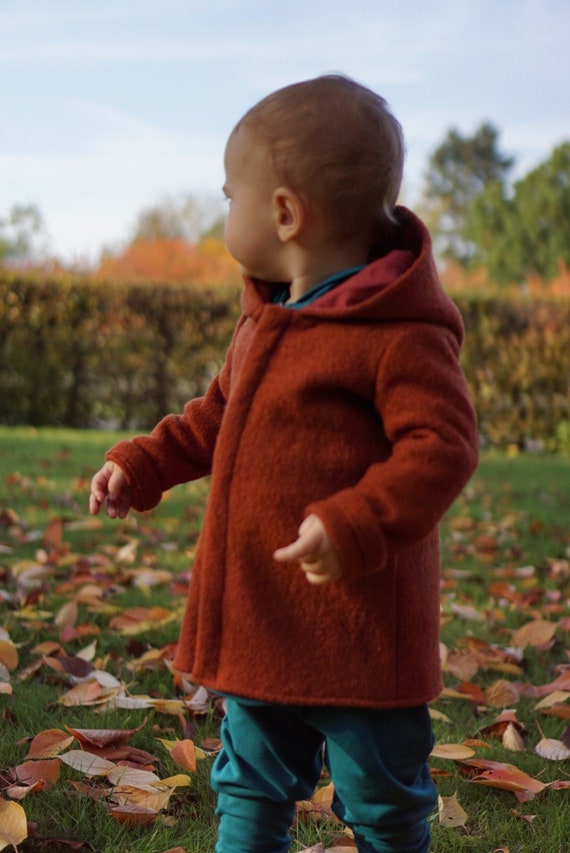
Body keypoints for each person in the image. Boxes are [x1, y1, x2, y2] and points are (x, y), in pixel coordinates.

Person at [90, 74, 479, 853]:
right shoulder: (267, 320)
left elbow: (442, 445)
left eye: (230, 194)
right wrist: (142, 463)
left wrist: (354, 521)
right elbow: (215, 418)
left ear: (285, 214)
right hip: (261, 621)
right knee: (248, 784)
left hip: (360, 634)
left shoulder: (397, 330)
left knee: (383, 801)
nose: (224, 209)